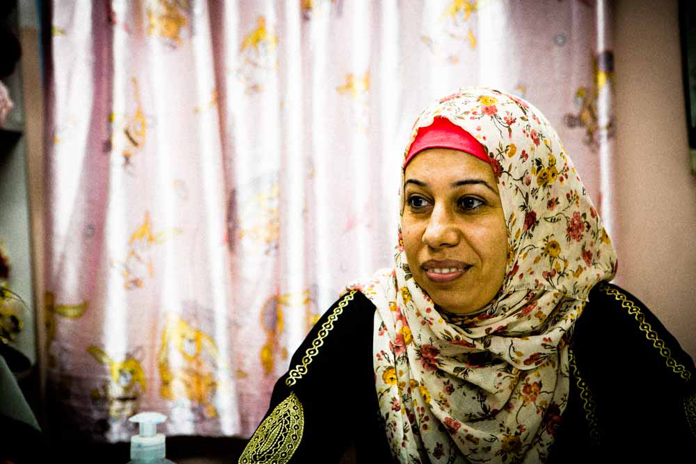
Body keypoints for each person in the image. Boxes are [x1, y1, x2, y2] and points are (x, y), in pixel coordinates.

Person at [237, 87, 696, 463]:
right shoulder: (369, 320)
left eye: (469, 202)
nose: (434, 233)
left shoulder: (598, 324)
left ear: (530, 217)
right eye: (417, 201)